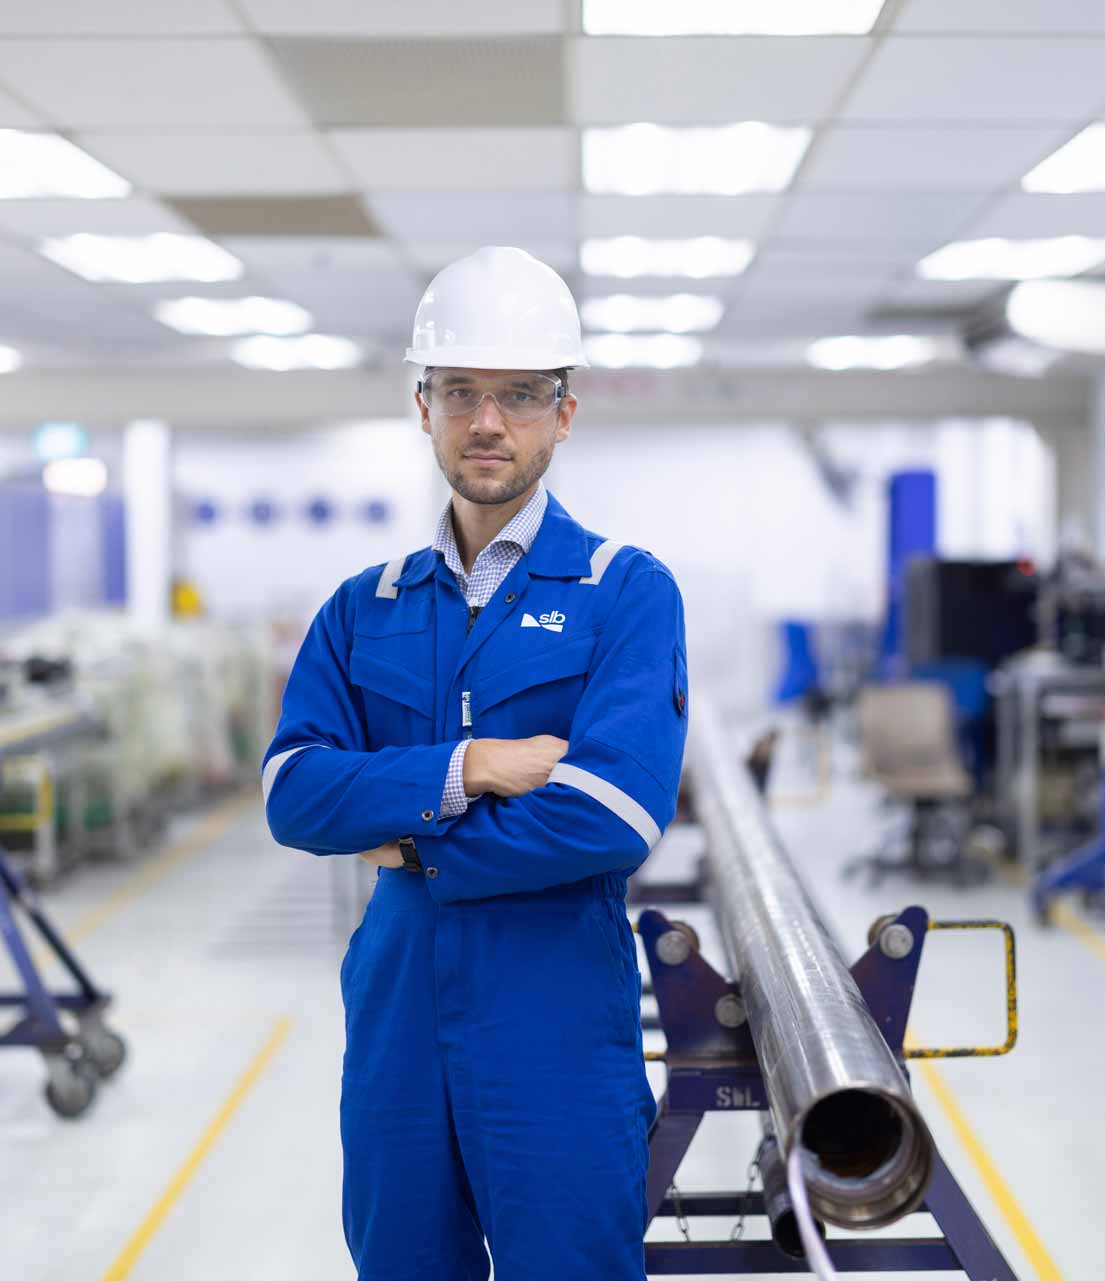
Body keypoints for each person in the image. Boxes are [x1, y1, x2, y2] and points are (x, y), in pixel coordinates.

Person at [261, 245, 690, 1281]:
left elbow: (615, 813)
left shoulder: (621, 592)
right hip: (398, 1020)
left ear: (563, 413)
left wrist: (406, 835)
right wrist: (475, 766)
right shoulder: (366, 607)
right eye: (461, 391)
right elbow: (292, 792)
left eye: (518, 394)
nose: (487, 421)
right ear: (423, 405)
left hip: (553, 1021)